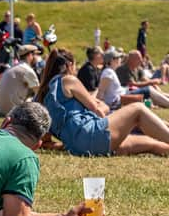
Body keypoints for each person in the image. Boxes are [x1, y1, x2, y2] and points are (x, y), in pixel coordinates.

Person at [36, 48, 169, 156]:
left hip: (79, 146)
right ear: (69, 65)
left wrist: (69, 143)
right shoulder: (67, 80)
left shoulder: (41, 96)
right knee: (138, 109)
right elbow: (99, 111)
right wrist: (103, 106)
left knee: (153, 144)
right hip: (92, 135)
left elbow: (46, 141)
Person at [0, 45, 41, 117]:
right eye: (36, 55)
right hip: (15, 113)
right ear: (30, 55)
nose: (38, 58)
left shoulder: (11, 68)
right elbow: (38, 93)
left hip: (0, 111)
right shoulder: (27, 70)